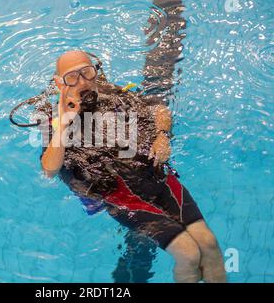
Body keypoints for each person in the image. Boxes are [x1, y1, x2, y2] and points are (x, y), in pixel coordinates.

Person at [39, 50, 227, 283]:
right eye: (71, 77)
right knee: (188, 253)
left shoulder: (114, 94)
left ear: (95, 72)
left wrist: (161, 136)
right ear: (59, 83)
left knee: (208, 243)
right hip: (119, 194)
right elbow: (49, 169)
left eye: (86, 72)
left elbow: (159, 110)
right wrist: (64, 123)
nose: (82, 81)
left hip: (153, 175)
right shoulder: (51, 118)